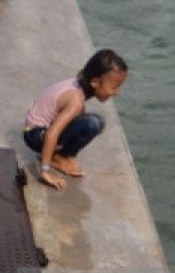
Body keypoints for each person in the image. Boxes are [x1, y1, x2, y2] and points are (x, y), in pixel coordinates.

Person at [24, 49, 127, 190]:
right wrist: (46, 171)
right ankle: (58, 158)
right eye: (114, 87)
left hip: (36, 131)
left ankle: (59, 155)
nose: (117, 92)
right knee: (93, 123)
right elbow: (51, 134)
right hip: (35, 135)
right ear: (95, 82)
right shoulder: (76, 99)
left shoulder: (77, 86)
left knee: (94, 121)